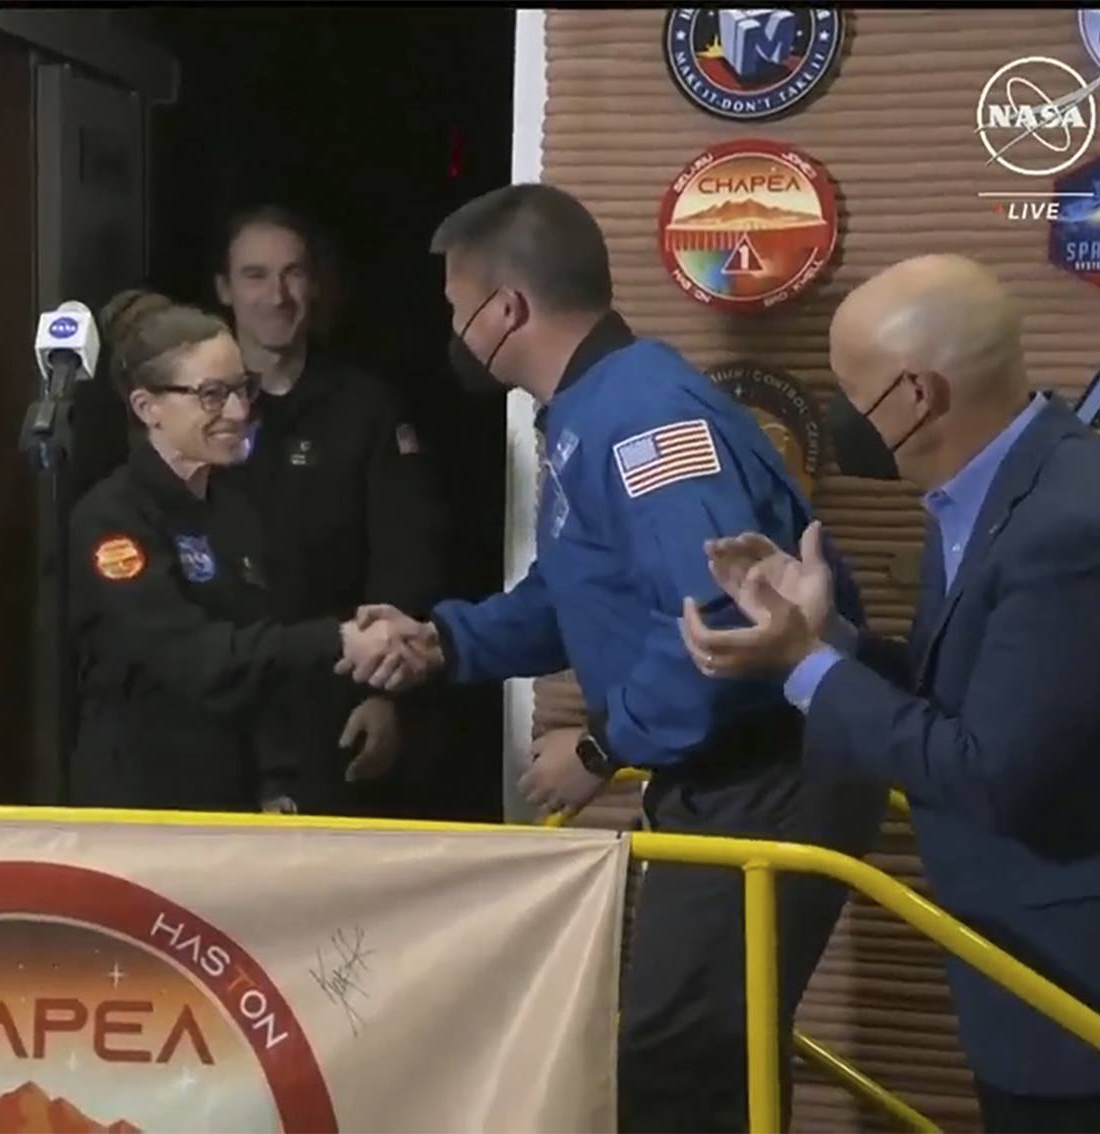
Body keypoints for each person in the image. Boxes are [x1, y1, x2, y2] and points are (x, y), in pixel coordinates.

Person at [343, 183, 888, 1131]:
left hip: (767, 775)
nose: (454, 335)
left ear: (505, 309)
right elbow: (582, 592)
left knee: (678, 1057)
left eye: (454, 309)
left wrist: (600, 748)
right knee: (706, 1052)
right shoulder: (593, 409)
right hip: (731, 777)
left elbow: (728, 611)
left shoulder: (640, 418)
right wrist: (445, 641)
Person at [678, 253, 1100, 1133]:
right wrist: (822, 638)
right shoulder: (1000, 493)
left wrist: (801, 669)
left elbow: (985, 771)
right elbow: (978, 697)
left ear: (915, 395)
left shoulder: (1073, 527)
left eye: (850, 393)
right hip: (1046, 987)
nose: (839, 418)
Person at [66, 291, 400, 813]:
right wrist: (335, 640)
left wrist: (276, 781)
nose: (238, 411)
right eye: (212, 395)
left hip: (236, 801)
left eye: (242, 389)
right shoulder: (113, 520)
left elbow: (259, 650)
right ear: (147, 407)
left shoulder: (234, 506)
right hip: (143, 804)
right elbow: (198, 658)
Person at [212, 205, 447, 816]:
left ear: (314, 285)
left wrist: (388, 697)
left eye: (293, 274)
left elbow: (405, 556)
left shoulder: (365, 408)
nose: (277, 295)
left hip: (333, 708)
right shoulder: (193, 410)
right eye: (255, 275)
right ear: (224, 289)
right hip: (220, 706)